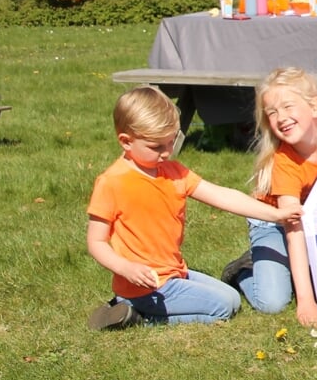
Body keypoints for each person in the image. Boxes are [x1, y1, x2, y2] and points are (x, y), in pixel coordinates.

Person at [85, 85, 301, 329]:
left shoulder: (174, 173)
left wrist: (276, 214)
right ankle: (137, 317)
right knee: (224, 306)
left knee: (230, 298)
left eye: (171, 142)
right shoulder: (112, 183)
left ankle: (134, 311)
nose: (167, 153)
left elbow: (222, 196)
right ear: (126, 141)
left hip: (174, 274)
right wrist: (125, 268)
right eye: (157, 147)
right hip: (144, 286)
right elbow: (96, 242)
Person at [220, 68, 317, 326]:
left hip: (314, 216)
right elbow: (294, 229)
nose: (281, 118)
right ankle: (242, 271)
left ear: (315, 107)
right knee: (273, 302)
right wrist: (306, 302)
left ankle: (286, 269)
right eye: (272, 112)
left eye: (288, 106)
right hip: (274, 222)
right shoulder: (285, 163)